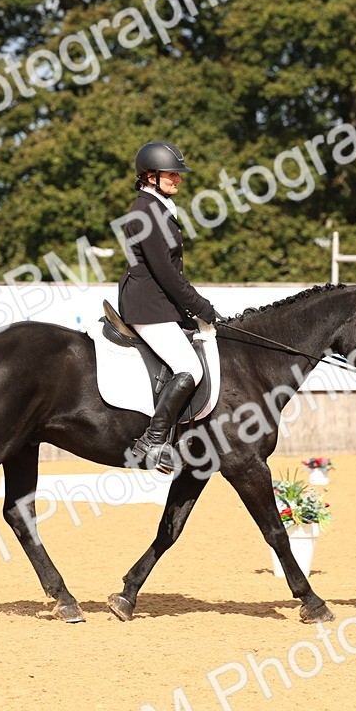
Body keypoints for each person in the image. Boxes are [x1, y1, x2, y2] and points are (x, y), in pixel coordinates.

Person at [117, 140, 219, 473]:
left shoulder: (157, 209)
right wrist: (202, 307)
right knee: (190, 368)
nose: (178, 180)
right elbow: (167, 275)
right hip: (148, 307)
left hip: (159, 305)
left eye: (178, 175)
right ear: (149, 176)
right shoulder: (145, 213)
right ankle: (153, 440)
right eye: (171, 174)